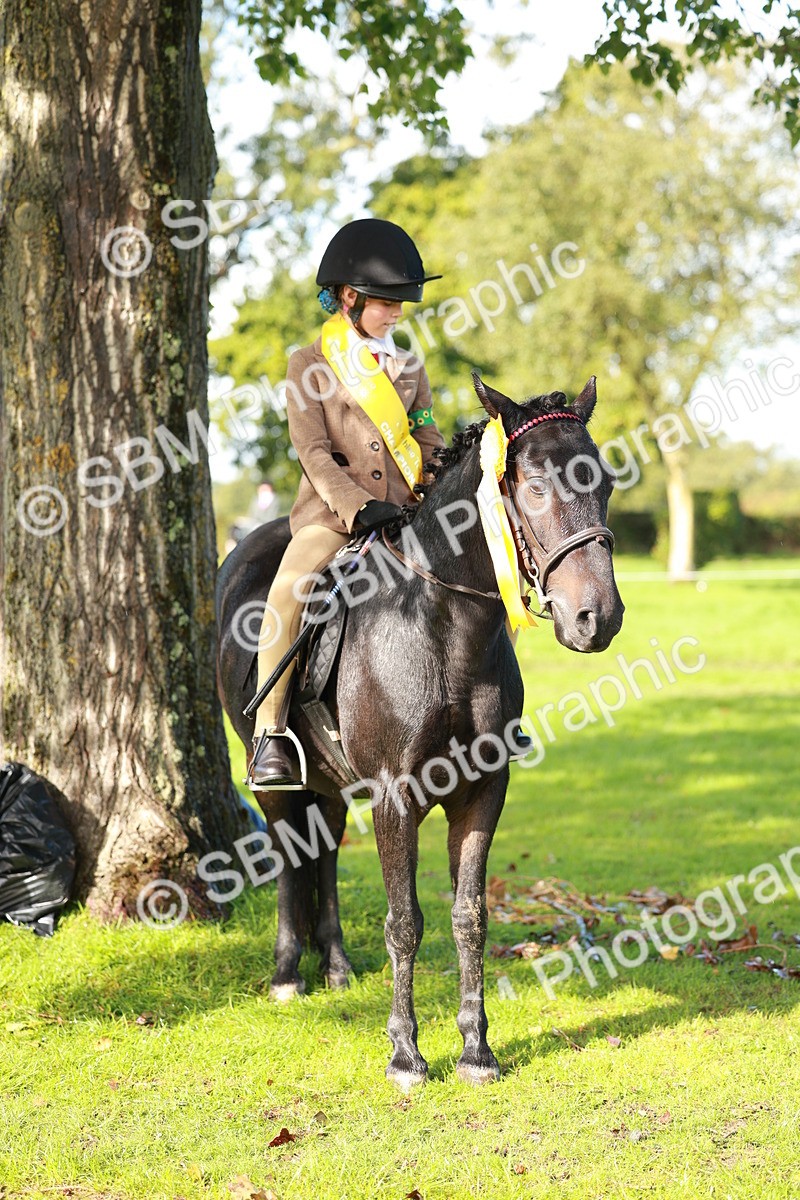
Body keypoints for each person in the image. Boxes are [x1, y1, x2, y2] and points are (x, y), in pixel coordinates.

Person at [247, 218, 447, 788]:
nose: (398, 314)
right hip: (334, 518)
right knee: (288, 590)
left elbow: (426, 437)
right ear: (350, 298)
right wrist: (358, 507)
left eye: (401, 303)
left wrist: (440, 487)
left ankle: (495, 712)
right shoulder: (308, 364)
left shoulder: (409, 367)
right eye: (387, 303)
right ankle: (269, 734)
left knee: (482, 568)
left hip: (407, 512)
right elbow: (312, 451)